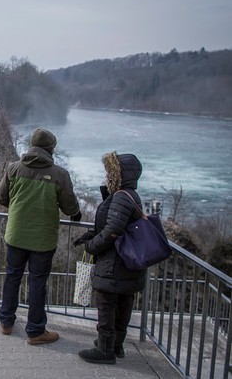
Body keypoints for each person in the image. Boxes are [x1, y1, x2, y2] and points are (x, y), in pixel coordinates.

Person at [0, 128, 81, 344]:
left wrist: (17, 207)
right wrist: (76, 214)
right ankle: (35, 331)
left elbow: (1, 197)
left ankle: (6, 322)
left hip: (15, 234)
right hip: (42, 240)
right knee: (37, 282)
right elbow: (70, 207)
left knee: (12, 276)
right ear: (51, 149)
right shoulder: (59, 174)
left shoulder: (14, 168)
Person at [73, 152, 145, 364]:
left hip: (114, 263)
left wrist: (91, 246)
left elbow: (113, 230)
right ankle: (116, 346)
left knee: (106, 305)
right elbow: (112, 222)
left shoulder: (122, 197)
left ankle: (105, 350)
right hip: (127, 263)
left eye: (110, 172)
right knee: (123, 304)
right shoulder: (129, 195)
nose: (107, 176)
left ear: (119, 174)